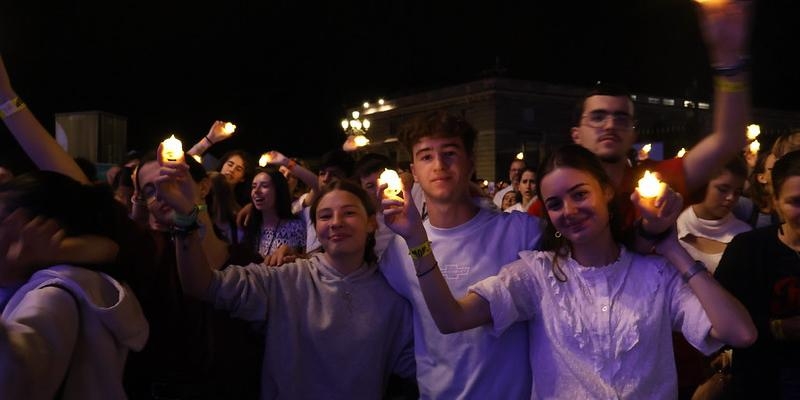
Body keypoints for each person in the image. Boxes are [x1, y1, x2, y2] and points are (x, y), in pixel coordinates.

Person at [383, 144, 756, 399]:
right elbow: (451, 318)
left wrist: (671, 246)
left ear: (606, 192)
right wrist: (416, 239)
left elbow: (740, 333)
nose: (570, 210)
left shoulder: (655, 274)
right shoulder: (537, 275)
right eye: (555, 203)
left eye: (580, 194)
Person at [158, 163, 416, 399]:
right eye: (325, 216)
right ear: (315, 228)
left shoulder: (392, 297)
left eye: (348, 213)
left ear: (371, 223)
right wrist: (185, 218)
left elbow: (419, 366)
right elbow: (203, 285)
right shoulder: (285, 278)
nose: (336, 223)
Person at [531, 2, 751, 237]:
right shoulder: (553, 201)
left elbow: (729, 139)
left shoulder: (659, 181)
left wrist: (728, 60)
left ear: (633, 134)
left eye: (621, 118)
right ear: (576, 134)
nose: (610, 125)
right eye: (598, 117)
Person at [379, 111, 542, 399]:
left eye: (450, 153)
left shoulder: (522, 231)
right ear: (414, 171)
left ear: (470, 161)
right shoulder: (398, 250)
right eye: (426, 156)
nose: (439, 165)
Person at [0, 171, 149, 399]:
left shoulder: (52, 296)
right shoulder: (77, 281)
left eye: (1, 220)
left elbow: (13, 379)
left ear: (39, 228)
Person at [714, 149, 800, 399]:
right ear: (776, 202)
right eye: (795, 202)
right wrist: (779, 328)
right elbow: (719, 321)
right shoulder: (747, 249)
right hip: (762, 383)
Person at [676, 156, 751, 273]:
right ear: (703, 185)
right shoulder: (674, 223)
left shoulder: (745, 236)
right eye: (723, 189)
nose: (731, 197)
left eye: (737, 192)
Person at [240, 167, 306, 263]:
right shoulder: (250, 223)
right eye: (253, 187)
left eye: (264, 186)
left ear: (279, 191)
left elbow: (306, 261)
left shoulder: (296, 226)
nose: (256, 191)